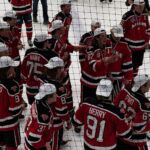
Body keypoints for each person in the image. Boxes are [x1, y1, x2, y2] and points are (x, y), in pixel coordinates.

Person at [72, 79, 132, 150]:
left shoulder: (86, 104)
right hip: (107, 148)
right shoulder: (116, 112)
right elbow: (127, 134)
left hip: (88, 146)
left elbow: (75, 122)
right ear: (111, 93)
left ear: (97, 92)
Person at [37, 57, 71, 150]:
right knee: (53, 146)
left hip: (42, 116)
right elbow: (62, 111)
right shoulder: (59, 89)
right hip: (55, 123)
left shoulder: (42, 78)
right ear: (58, 70)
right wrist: (68, 121)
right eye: (62, 68)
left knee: (45, 141)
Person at [113, 74, 150, 150]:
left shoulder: (124, 90)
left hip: (120, 136)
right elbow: (138, 127)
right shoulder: (144, 103)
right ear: (142, 86)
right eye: (149, 84)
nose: (149, 87)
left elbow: (114, 107)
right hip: (135, 142)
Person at [21, 33, 58, 105]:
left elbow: (23, 68)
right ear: (44, 43)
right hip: (45, 90)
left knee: (34, 108)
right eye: (47, 41)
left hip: (29, 88)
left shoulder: (29, 51)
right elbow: (55, 73)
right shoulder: (51, 55)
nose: (49, 42)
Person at [120, 0, 150, 76]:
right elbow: (120, 30)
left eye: (143, 7)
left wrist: (147, 41)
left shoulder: (145, 15)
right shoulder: (127, 16)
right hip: (129, 48)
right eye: (140, 6)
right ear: (134, 6)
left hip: (141, 47)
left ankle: (133, 80)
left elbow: (148, 29)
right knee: (128, 66)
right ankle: (127, 81)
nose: (141, 8)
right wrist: (123, 45)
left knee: (137, 65)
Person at [24, 83, 57, 150]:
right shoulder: (43, 118)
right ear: (48, 97)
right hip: (35, 146)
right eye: (54, 94)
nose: (56, 95)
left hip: (30, 136)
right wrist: (46, 145)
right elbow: (33, 138)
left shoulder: (39, 101)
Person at [0, 56, 22, 150]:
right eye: (13, 67)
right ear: (8, 70)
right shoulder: (12, 85)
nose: (15, 68)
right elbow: (15, 109)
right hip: (10, 125)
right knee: (11, 146)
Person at [108, 25, 133, 98]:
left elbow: (128, 64)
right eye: (116, 35)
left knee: (115, 98)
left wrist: (128, 78)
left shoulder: (125, 46)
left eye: (119, 35)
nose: (118, 37)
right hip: (103, 77)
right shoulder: (105, 41)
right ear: (111, 32)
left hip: (117, 79)